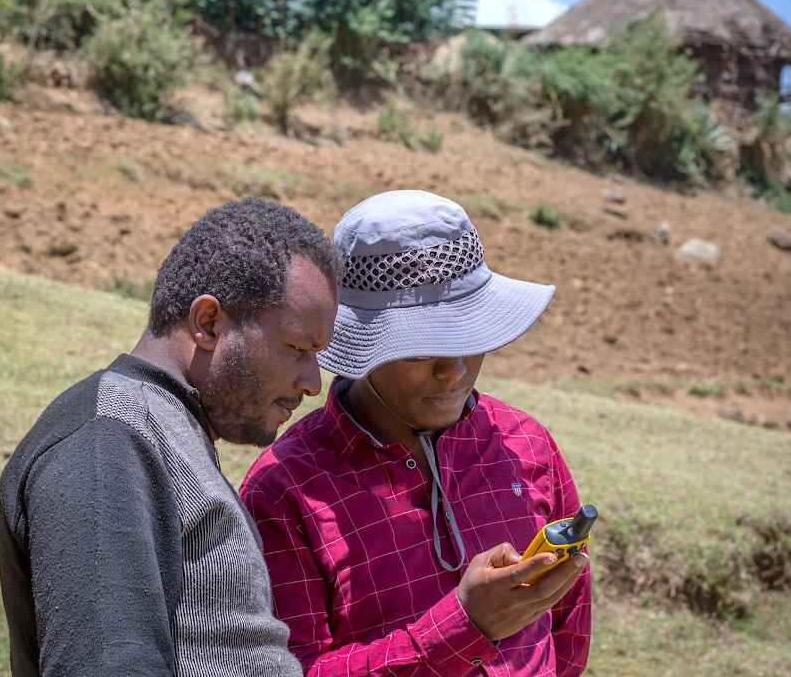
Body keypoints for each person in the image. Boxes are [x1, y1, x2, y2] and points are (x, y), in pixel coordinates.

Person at [240, 190, 591, 677]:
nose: (454, 370)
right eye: (422, 348)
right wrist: (466, 626)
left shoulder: (525, 443)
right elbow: (289, 670)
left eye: (472, 338)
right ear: (363, 345)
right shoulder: (285, 493)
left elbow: (567, 635)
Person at [0, 197, 341, 677]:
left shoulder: (162, 430)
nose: (312, 382)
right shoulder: (105, 443)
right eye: (297, 349)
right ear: (207, 324)